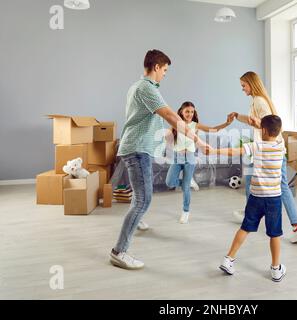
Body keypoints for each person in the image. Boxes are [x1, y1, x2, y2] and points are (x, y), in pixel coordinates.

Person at [109, 50, 210, 270]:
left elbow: (153, 120)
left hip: (136, 147)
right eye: (164, 70)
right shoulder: (147, 88)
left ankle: (136, 221)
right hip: (137, 149)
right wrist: (198, 140)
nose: (165, 74)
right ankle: (119, 251)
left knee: (139, 197)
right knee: (143, 200)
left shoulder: (137, 87)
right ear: (156, 67)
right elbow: (172, 117)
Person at [228, 71, 297, 244]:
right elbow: (255, 121)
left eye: (244, 85)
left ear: (251, 84)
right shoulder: (260, 100)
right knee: (267, 183)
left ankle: (254, 215)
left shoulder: (259, 101)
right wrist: (237, 116)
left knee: (259, 182)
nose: (242, 89)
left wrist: (254, 123)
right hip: (275, 149)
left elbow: (267, 125)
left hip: (267, 150)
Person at [210, 115, 287, 282]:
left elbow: (232, 151)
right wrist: (261, 125)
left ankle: (228, 259)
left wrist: (214, 151)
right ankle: (275, 269)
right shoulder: (281, 147)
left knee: (245, 228)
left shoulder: (256, 146)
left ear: (263, 130)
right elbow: (274, 131)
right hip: (273, 198)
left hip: (256, 197)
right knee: (275, 234)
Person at [165, 101, 235, 224]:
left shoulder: (195, 125)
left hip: (190, 158)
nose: (190, 114)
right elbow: (168, 138)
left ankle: (185, 211)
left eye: (192, 112)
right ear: (181, 112)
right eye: (187, 111)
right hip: (177, 158)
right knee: (170, 182)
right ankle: (189, 181)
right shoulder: (175, 124)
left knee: (185, 188)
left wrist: (227, 123)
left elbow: (213, 129)